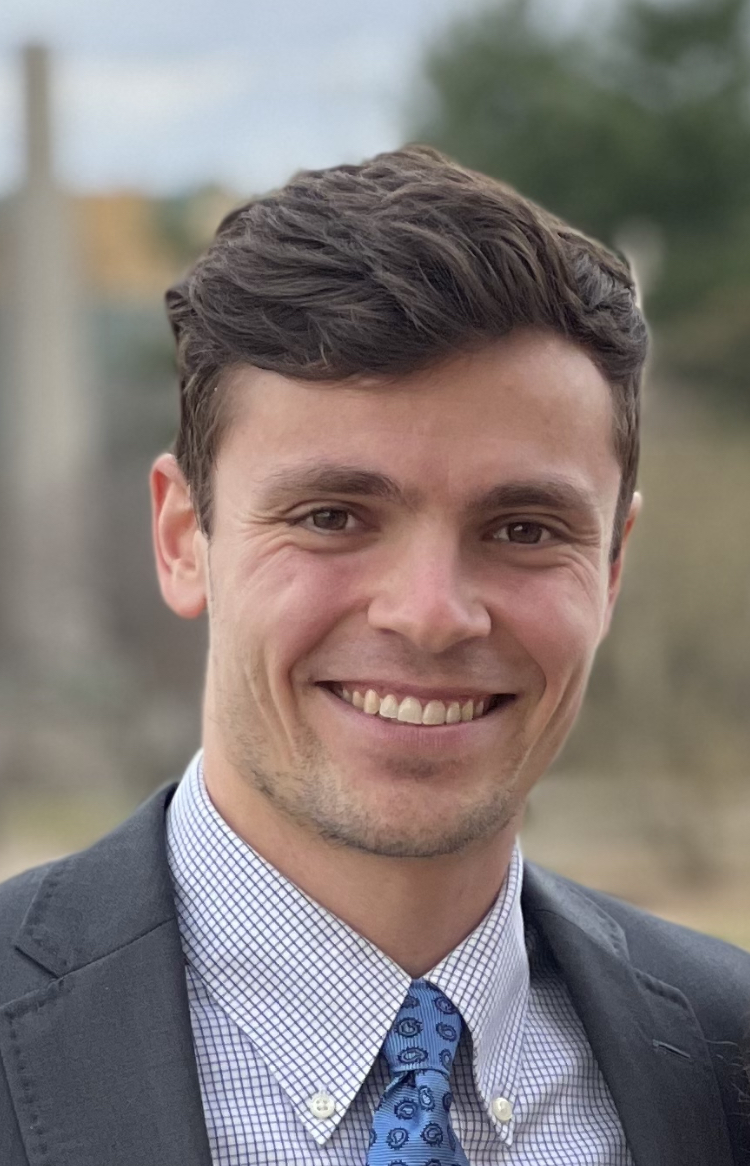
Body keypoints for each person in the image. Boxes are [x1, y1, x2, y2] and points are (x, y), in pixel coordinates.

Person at [0, 146, 748, 1166]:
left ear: (612, 567)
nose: (432, 614)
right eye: (333, 514)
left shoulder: (727, 1058)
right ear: (184, 537)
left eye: (524, 528)